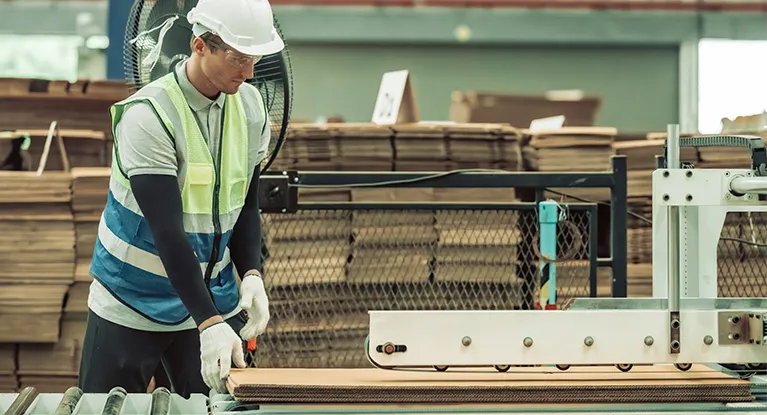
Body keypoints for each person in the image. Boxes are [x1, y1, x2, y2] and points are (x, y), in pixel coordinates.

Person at [78, 0, 284, 397]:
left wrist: (253, 274)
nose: (249, 72)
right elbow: (166, 231)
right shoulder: (149, 115)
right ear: (200, 45)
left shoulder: (252, 107)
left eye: (255, 58)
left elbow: (246, 206)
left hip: (211, 300)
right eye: (238, 58)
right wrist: (208, 323)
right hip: (132, 301)